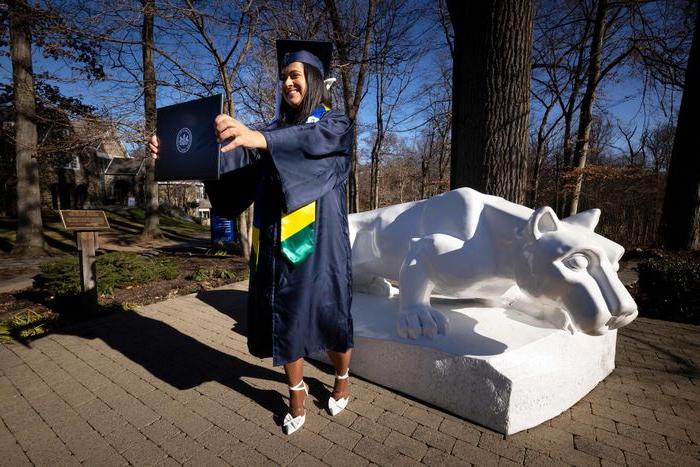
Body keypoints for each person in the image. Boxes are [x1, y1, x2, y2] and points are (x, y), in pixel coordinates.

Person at [149, 40, 354, 435]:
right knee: (286, 318)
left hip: (321, 246)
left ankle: (341, 377)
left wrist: (260, 140)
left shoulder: (334, 124)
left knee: (331, 318)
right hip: (276, 246)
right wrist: (175, 155)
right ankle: (296, 393)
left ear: (313, 79)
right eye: (283, 78)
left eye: (294, 76)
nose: (287, 84)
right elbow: (228, 161)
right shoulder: (269, 131)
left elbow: (310, 144)